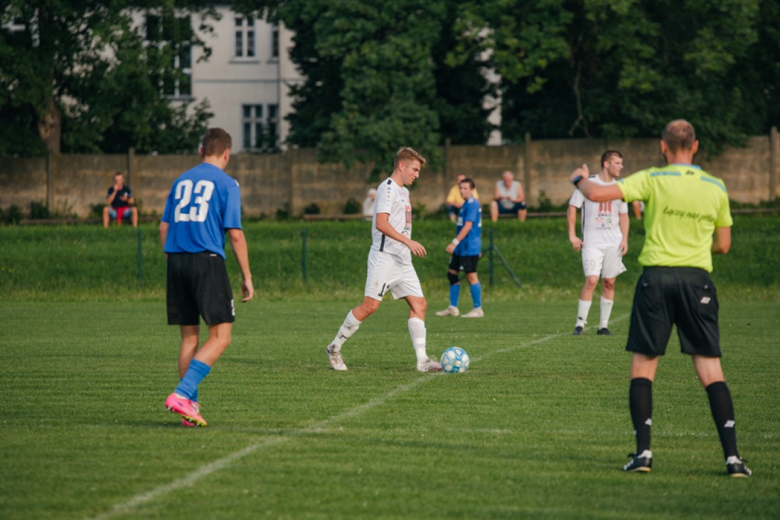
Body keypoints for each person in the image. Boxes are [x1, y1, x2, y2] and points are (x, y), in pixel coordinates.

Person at [569, 119, 751, 477]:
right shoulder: (716, 186)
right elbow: (724, 245)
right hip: (696, 280)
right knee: (711, 368)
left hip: (656, 279)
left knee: (644, 368)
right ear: (695, 147)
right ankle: (733, 459)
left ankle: (644, 454)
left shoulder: (652, 178)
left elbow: (595, 193)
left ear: (663, 147)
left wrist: (578, 177)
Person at [159, 128, 254, 427]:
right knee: (221, 337)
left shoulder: (180, 181)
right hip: (207, 262)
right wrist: (247, 276)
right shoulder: (227, 183)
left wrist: (174, 258)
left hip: (176, 261)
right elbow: (236, 235)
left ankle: (190, 407)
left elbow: (164, 227)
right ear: (226, 154)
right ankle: (182, 394)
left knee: (189, 338)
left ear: (201, 152)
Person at [325, 147, 442, 372]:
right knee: (370, 307)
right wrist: (408, 241)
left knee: (420, 304)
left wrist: (405, 246)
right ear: (401, 166)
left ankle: (423, 361)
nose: (417, 175)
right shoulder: (386, 189)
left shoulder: (404, 192)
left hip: (402, 260)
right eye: (415, 170)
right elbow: (381, 223)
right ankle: (334, 347)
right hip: (384, 258)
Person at [567, 150, 629, 336]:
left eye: (621, 163)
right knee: (592, 280)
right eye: (617, 163)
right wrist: (572, 235)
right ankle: (580, 324)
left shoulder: (620, 188)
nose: (621, 166)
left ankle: (603, 326)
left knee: (609, 282)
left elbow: (624, 215)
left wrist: (625, 238)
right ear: (606, 164)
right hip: (592, 243)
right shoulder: (588, 184)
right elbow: (572, 208)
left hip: (614, 242)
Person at [436, 177, 483, 318]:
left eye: (465, 188)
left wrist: (454, 242)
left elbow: (469, 226)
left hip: (469, 247)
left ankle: (478, 309)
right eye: (460, 188)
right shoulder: (465, 204)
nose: (462, 190)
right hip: (461, 247)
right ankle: (453, 307)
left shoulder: (473, 204)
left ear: (472, 190)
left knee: (471, 276)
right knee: (452, 274)